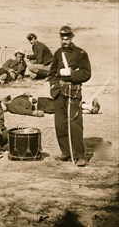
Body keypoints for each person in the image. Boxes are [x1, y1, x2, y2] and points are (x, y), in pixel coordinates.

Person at [49, 25, 91, 166]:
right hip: (59, 92)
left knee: (75, 124)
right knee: (60, 125)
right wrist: (54, 86)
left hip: (73, 92)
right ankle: (66, 153)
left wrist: (71, 74)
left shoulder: (81, 53)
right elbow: (52, 73)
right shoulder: (58, 53)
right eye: (62, 38)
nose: (64, 41)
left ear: (72, 38)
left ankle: (80, 156)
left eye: (67, 38)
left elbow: (86, 73)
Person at [1, 93, 100, 116]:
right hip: (40, 105)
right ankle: (89, 107)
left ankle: (88, 108)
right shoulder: (11, 107)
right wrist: (33, 113)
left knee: (63, 106)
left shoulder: (12, 101)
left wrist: (27, 95)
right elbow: (22, 111)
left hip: (40, 102)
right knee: (63, 106)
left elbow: (24, 99)